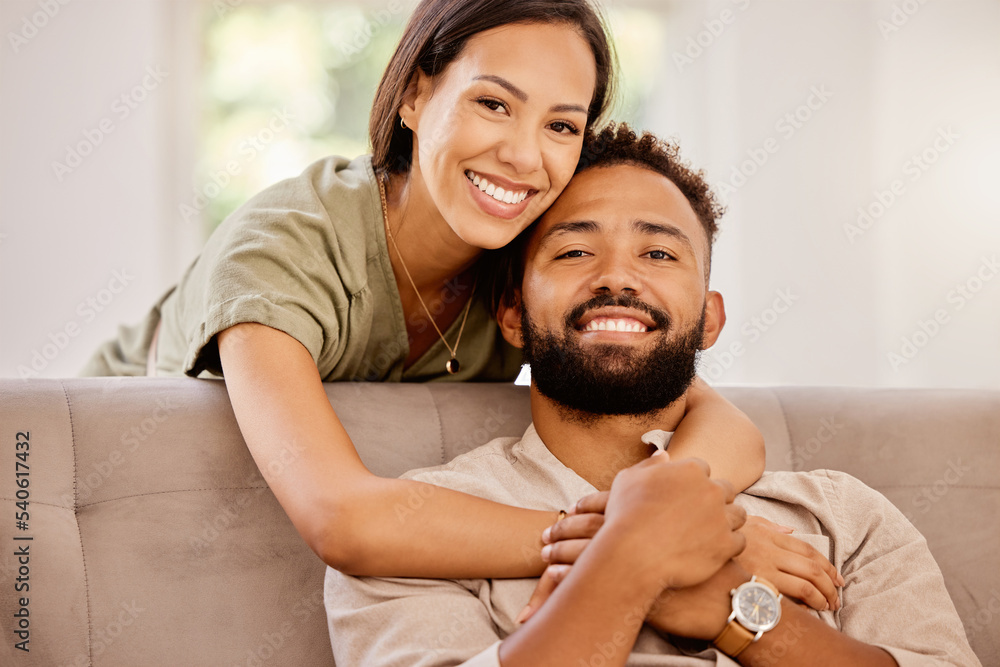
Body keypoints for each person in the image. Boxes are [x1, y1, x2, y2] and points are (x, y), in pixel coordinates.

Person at [78, 0, 769, 581]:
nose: (525, 156)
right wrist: (636, 549)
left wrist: (660, 516)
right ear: (414, 94)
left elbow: (724, 426)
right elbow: (342, 518)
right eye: (494, 103)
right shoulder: (286, 245)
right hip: (108, 481)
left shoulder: (524, 260)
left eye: (561, 125)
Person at [324, 124, 981, 667]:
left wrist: (736, 613)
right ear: (513, 312)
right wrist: (631, 559)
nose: (617, 277)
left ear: (710, 317)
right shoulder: (413, 536)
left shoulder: (844, 518)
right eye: (575, 251)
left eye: (660, 255)